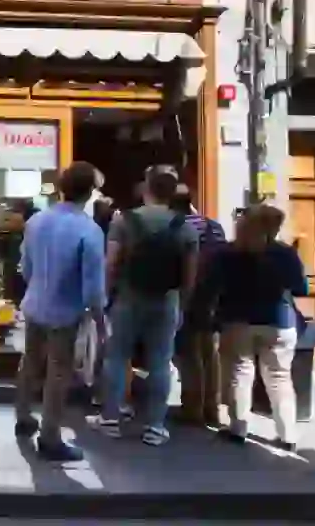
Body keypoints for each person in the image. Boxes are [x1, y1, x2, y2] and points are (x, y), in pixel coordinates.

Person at [90, 168, 198, 447]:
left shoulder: (124, 221)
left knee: (116, 357)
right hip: (166, 300)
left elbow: (111, 263)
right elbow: (190, 274)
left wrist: (105, 296)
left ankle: (111, 418)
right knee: (161, 362)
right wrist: (183, 303)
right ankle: (155, 426)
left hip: (128, 298)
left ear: (146, 188)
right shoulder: (184, 226)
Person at [16, 162, 107, 461]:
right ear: (90, 192)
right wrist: (99, 320)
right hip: (65, 310)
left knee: (30, 361)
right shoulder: (89, 230)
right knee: (58, 371)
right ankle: (50, 436)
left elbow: (26, 267)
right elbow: (93, 285)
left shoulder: (36, 221)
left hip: (34, 302)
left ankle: (23, 416)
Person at [200, 204, 305, 451]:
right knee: (279, 377)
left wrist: (206, 313)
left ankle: (239, 428)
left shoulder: (227, 253)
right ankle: (288, 434)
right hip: (279, 321)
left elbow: (210, 287)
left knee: (239, 373)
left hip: (237, 319)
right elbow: (301, 288)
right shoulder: (285, 253)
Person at [171, 184, 227, 428]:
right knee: (210, 353)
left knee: (189, 354)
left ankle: (192, 408)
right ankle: (212, 409)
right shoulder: (213, 225)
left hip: (188, 294)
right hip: (213, 296)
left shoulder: (176, 227)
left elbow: (175, 262)